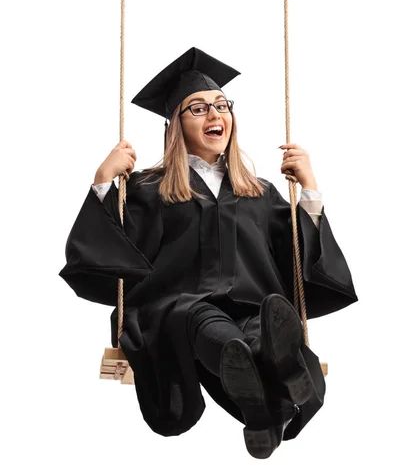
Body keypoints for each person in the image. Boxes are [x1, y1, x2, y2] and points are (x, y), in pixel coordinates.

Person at [59, 47, 358, 459]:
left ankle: (267, 400)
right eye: (198, 108)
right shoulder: (151, 189)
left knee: (264, 323)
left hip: (252, 309)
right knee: (203, 318)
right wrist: (103, 182)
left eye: (221, 106)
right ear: (174, 126)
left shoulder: (259, 192)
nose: (215, 115)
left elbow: (298, 258)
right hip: (176, 312)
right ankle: (264, 378)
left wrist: (309, 191)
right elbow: (109, 249)